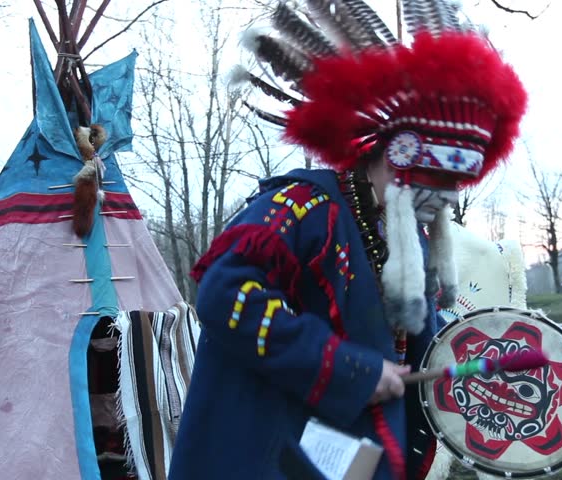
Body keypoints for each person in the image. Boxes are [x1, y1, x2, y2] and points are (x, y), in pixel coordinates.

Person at [168, 1, 526, 479]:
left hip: (360, 456)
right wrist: (346, 368)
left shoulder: (406, 241)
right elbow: (224, 294)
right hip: (268, 453)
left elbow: (417, 343)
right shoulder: (303, 206)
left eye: (450, 188)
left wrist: (486, 359)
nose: (439, 200)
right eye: (429, 178)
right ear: (395, 152)